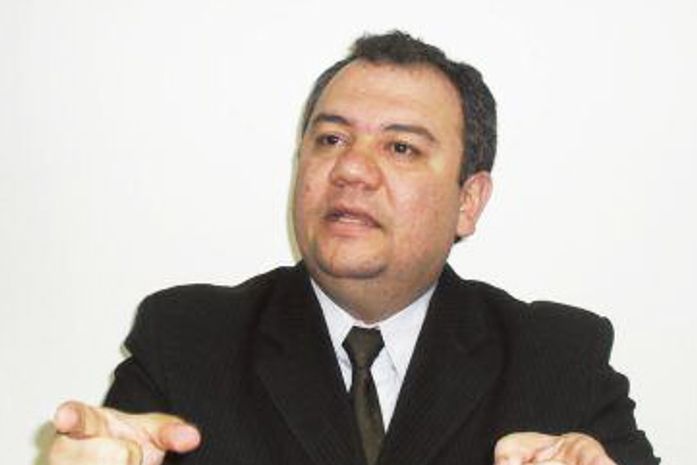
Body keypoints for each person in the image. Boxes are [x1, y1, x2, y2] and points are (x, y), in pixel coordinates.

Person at [48, 31, 659, 465]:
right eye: (331, 139)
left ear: (468, 201)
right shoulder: (186, 341)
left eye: (401, 148)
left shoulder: (559, 359)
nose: (351, 171)